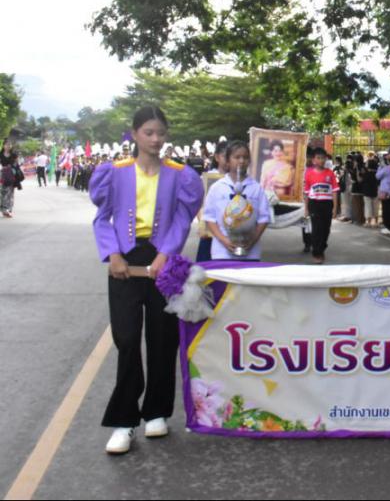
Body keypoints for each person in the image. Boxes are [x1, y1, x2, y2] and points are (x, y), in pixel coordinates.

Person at [89, 107, 204, 455]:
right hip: (124, 260)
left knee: (163, 339)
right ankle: (123, 422)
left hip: (163, 262)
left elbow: (182, 218)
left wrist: (165, 254)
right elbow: (102, 218)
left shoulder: (180, 175)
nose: (156, 139)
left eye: (161, 133)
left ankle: (157, 412)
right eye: (149, 132)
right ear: (135, 134)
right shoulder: (114, 172)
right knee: (126, 340)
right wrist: (113, 255)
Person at [203, 141, 270, 261]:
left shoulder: (256, 188)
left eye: (245, 157)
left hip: (250, 252)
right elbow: (209, 218)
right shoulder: (217, 187)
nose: (241, 161)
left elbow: (264, 218)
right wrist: (224, 240)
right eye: (237, 157)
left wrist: (252, 240)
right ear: (228, 161)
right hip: (222, 252)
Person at [303, 147, 338, 264]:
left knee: (325, 229)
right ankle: (316, 253)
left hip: (327, 204)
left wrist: (335, 208)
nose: (321, 160)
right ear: (313, 160)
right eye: (318, 158)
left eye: (323, 158)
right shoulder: (309, 174)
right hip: (314, 204)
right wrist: (306, 209)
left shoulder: (330, 173)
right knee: (316, 229)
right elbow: (306, 193)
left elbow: (335, 191)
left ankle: (321, 248)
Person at [196, 141, 228, 263]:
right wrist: (202, 225)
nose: (229, 160)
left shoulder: (239, 179)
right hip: (209, 233)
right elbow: (200, 204)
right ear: (217, 157)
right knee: (207, 268)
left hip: (231, 233)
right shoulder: (208, 178)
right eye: (225, 156)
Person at [361, 157, 380, 228]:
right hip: (375, 191)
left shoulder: (366, 174)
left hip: (367, 192)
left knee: (368, 207)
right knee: (376, 207)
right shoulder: (377, 174)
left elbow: (362, 181)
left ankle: (368, 222)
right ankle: (376, 222)